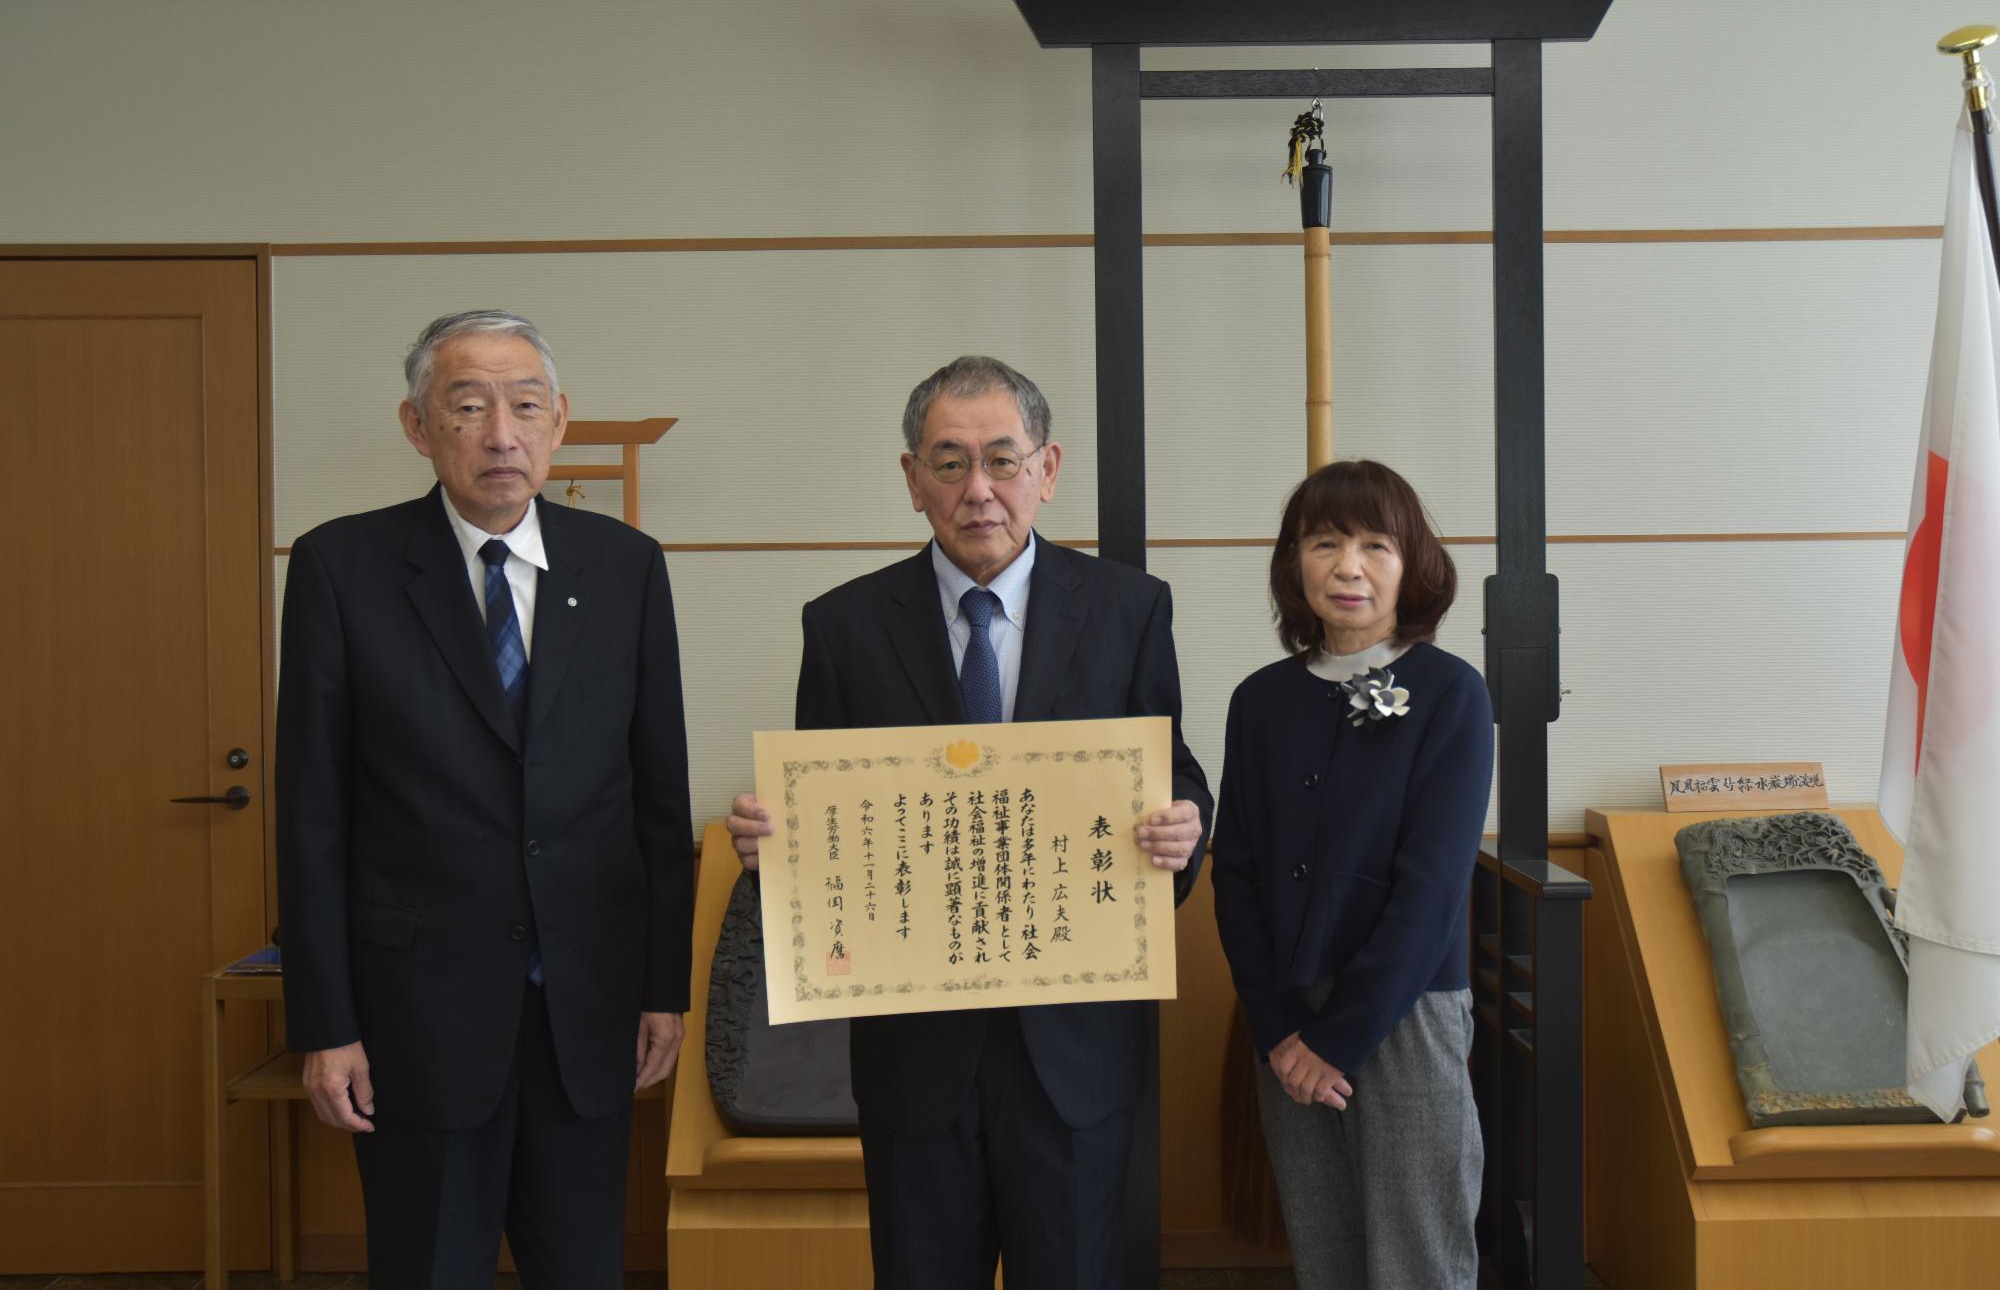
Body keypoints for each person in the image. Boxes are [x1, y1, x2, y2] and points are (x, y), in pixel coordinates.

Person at [728, 355, 1213, 1288]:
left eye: (1002, 458)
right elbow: (820, 820)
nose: (978, 488)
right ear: (912, 480)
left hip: (1074, 1050)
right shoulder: (843, 626)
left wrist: (1186, 823)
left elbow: (1173, 769)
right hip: (916, 1055)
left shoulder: (1127, 608)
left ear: (1049, 468)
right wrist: (770, 847)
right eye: (949, 463)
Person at [275, 310, 693, 1288]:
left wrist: (659, 985)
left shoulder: (626, 566)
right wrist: (325, 1021)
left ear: (558, 422)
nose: (499, 433)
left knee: (583, 1267)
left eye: (524, 405)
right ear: (419, 427)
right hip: (413, 1016)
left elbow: (657, 800)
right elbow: (311, 815)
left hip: (585, 1013)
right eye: (467, 406)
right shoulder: (342, 567)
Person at [1211, 459, 1492, 1290]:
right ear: (1294, 562)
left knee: (1419, 1257)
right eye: (1325, 542)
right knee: (1325, 1250)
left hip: (1408, 1010)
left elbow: (1433, 889)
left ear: (1413, 565)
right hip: (1288, 1017)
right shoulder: (1259, 700)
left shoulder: (1450, 693)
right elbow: (1237, 874)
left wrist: (1335, 1040)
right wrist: (1277, 1032)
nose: (1349, 566)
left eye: (1376, 544)